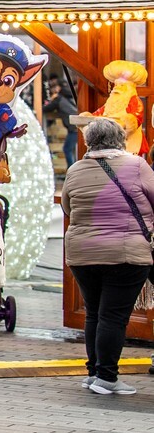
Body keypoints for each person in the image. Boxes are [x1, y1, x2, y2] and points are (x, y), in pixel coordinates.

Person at [61, 117, 154, 395]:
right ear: (120, 139)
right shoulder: (136, 165)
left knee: (94, 313)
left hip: (82, 253)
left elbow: (67, 207)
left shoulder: (75, 169)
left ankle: (93, 373)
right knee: (113, 316)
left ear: (89, 141)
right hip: (125, 252)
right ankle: (107, 378)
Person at [45, 78, 80, 169]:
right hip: (77, 125)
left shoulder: (59, 98)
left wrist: (50, 101)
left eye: (53, 87)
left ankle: (72, 170)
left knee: (67, 149)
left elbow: (47, 108)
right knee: (72, 149)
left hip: (73, 128)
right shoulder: (69, 95)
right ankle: (74, 169)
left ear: (58, 88)